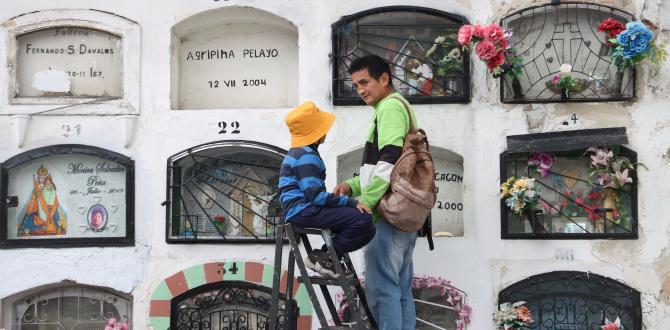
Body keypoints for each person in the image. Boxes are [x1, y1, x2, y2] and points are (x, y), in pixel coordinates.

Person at [333, 54, 419, 330]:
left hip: (386, 214)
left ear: (385, 78)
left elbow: (391, 158)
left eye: (364, 82)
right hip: (404, 214)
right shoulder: (397, 106)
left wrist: (367, 202)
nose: (360, 90)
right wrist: (353, 185)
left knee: (382, 291)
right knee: (400, 290)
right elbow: (382, 165)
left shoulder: (389, 108)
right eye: (356, 85)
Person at [279, 101, 376, 278]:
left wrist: (336, 202)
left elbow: (313, 194)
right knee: (363, 220)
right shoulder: (306, 156)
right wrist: (352, 202)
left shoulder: (297, 153)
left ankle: (322, 256)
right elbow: (315, 196)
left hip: (300, 209)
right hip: (305, 210)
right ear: (316, 133)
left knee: (364, 224)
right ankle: (328, 257)